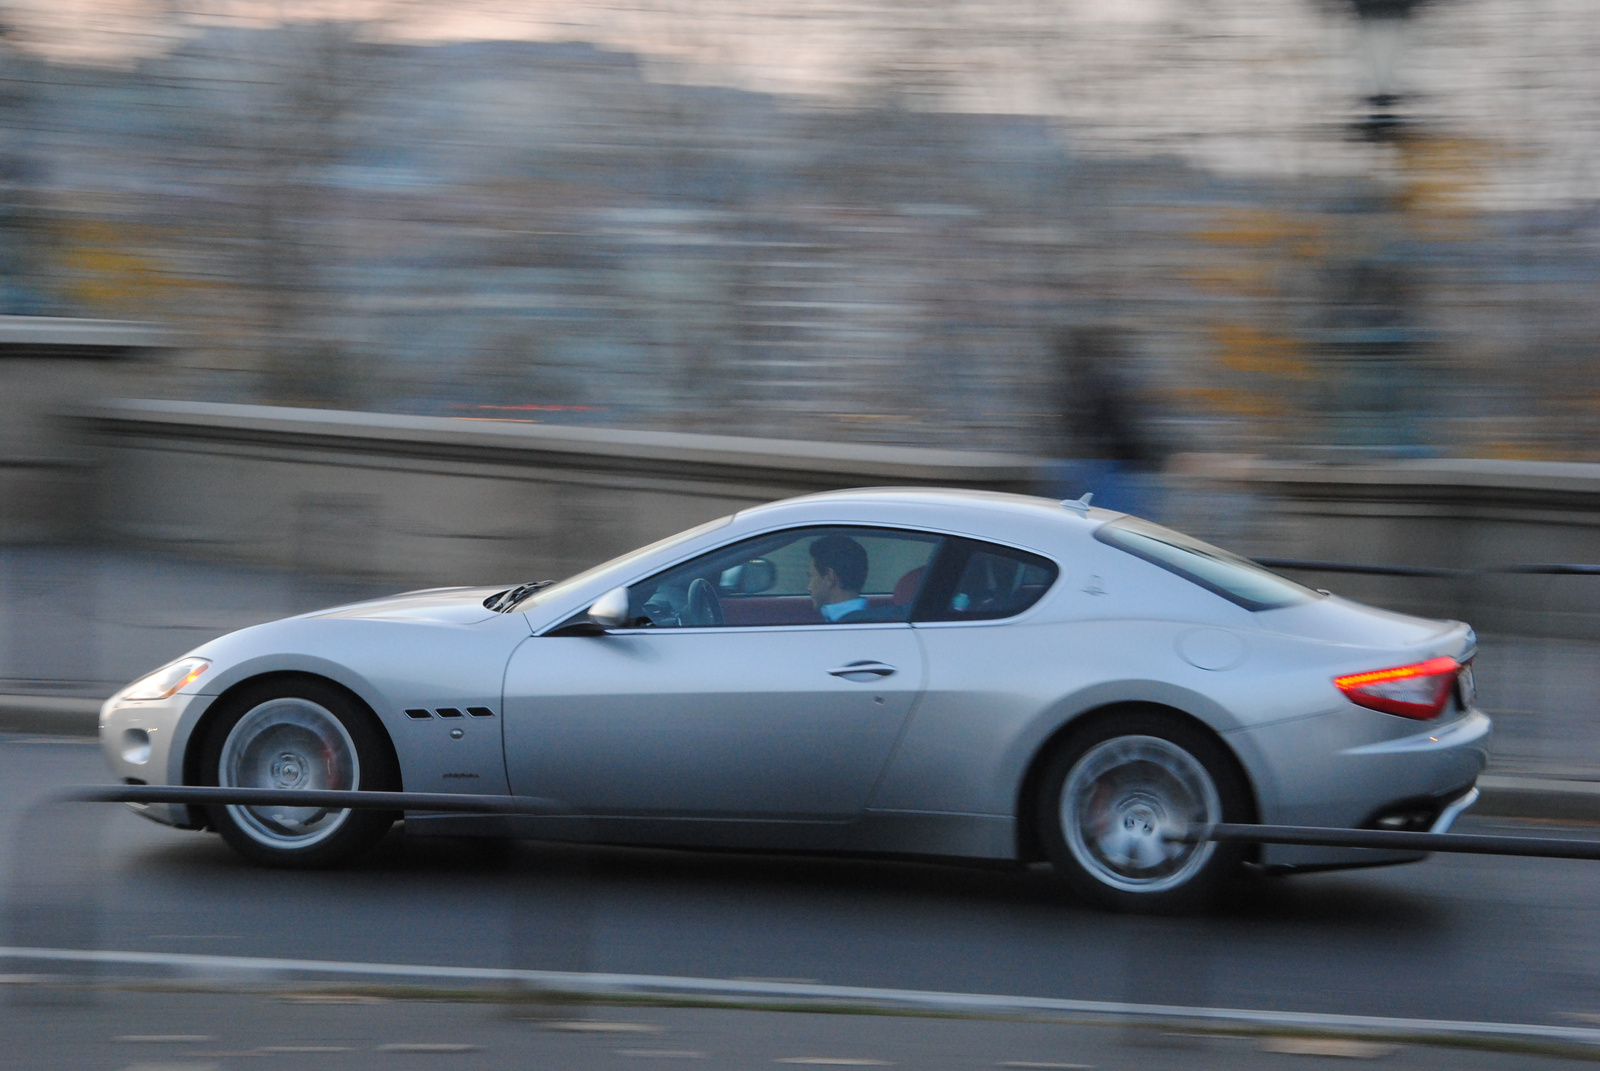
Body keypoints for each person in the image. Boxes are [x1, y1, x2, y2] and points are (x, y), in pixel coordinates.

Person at [807, 534, 869, 622]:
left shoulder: (847, 626)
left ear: (829, 577)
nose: (809, 588)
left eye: (812, 577)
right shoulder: (874, 620)